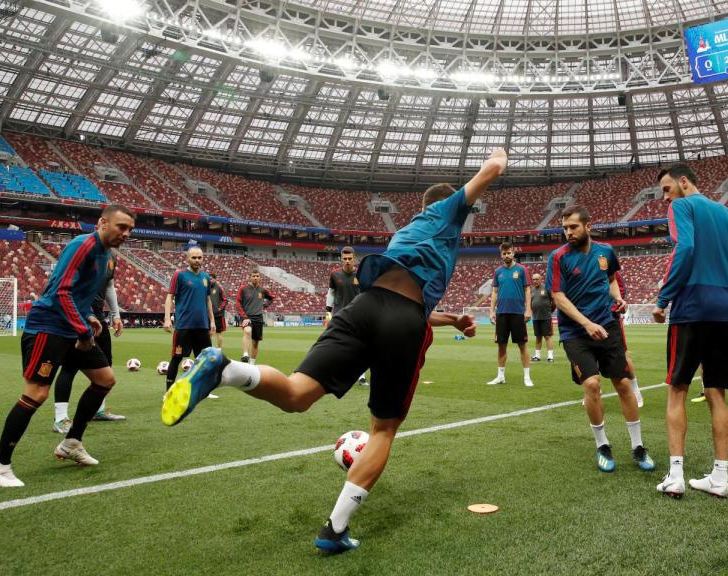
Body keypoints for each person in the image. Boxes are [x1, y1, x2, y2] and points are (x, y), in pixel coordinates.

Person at [160, 149, 507, 553]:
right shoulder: (445, 214)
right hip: (402, 321)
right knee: (383, 430)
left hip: (364, 308)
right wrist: (496, 154)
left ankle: (225, 370)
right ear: (447, 205)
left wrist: (451, 320)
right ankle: (334, 530)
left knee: (295, 394)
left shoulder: (407, 233)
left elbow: (407, 303)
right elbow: (493, 170)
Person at [0, 204, 136, 488]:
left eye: (130, 229)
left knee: (105, 379)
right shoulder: (83, 245)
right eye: (121, 227)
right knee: (37, 393)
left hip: (73, 325)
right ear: (103, 223)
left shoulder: (107, 257)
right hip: (48, 326)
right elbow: (60, 291)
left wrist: (88, 316)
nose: (126, 233)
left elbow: (77, 295)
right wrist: (82, 329)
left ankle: (71, 442)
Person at [651, 163, 728, 499]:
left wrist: (663, 299)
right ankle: (720, 477)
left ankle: (676, 475)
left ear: (684, 182)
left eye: (667, 188)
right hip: (724, 312)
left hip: (691, 308)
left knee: (678, 388)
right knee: (717, 392)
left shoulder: (681, 206)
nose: (665, 197)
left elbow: (685, 248)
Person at [547, 205, 655, 474]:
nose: (568, 232)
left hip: (608, 326)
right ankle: (602, 445)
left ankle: (638, 446)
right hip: (575, 332)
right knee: (592, 384)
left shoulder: (606, 252)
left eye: (573, 227)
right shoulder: (558, 257)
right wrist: (586, 323)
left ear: (588, 226)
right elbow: (558, 297)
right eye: (565, 228)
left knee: (622, 382)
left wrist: (618, 299)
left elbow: (610, 280)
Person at [51, 245, 126, 435]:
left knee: (106, 364)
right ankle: (60, 418)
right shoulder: (86, 251)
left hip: (99, 316)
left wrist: (116, 315)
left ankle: (98, 409)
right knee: (70, 366)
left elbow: (109, 286)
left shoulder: (112, 257)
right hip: (78, 315)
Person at [163, 246, 217, 391]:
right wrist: (167, 318)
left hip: (202, 326)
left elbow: (208, 300)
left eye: (200, 257)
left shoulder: (206, 277)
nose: (197, 260)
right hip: (184, 326)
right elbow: (170, 296)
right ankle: (169, 391)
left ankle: (202, 389)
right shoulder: (179, 275)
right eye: (194, 257)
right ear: (187, 258)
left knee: (204, 360)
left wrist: (212, 321)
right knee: (176, 358)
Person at [486, 243, 533, 387]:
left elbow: (527, 291)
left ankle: (527, 377)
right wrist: (492, 310)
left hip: (518, 312)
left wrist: (528, 309)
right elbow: (494, 292)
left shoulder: (522, 270)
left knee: (522, 345)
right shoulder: (498, 271)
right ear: (501, 255)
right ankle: (500, 376)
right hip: (501, 313)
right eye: (504, 253)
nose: (507, 255)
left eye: (509, 253)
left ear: (513, 253)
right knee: (501, 345)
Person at [326, 246, 366, 385]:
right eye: (345, 259)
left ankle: (361, 376)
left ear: (354, 259)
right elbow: (331, 292)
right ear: (341, 259)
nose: (347, 261)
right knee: (338, 344)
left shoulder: (362, 274)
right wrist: (327, 312)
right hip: (340, 315)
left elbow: (367, 292)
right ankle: (338, 374)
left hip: (358, 314)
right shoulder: (334, 274)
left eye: (350, 259)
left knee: (360, 345)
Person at [613, 271, 645, 408]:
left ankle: (636, 389)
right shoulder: (578, 261)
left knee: (624, 356)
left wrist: (614, 306)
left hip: (609, 318)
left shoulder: (603, 259)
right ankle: (593, 392)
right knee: (591, 355)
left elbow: (620, 286)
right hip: (588, 318)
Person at [237, 271, 273, 364]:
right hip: (247, 316)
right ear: (250, 277)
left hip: (258, 317)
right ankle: (245, 354)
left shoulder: (263, 290)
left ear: (260, 278)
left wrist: (265, 305)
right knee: (247, 331)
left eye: (257, 276)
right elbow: (238, 303)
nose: (255, 278)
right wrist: (244, 317)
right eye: (253, 276)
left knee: (255, 343)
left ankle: (252, 364)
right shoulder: (243, 289)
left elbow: (272, 298)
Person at [529, 273, 555, 363]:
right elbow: (530, 303)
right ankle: (537, 355)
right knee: (538, 337)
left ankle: (550, 356)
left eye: (536, 279)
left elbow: (554, 301)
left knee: (547, 336)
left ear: (541, 279)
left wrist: (550, 311)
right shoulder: (531, 290)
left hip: (546, 317)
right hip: (535, 317)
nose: (535, 281)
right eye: (533, 279)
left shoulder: (547, 288)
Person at [208, 272, 228, 349]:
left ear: (215, 279)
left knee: (218, 333)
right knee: (209, 333)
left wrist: (219, 309)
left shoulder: (219, 288)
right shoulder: (206, 288)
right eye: (208, 279)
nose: (209, 280)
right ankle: (210, 349)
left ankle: (219, 350)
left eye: (211, 279)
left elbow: (225, 300)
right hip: (209, 314)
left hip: (218, 314)